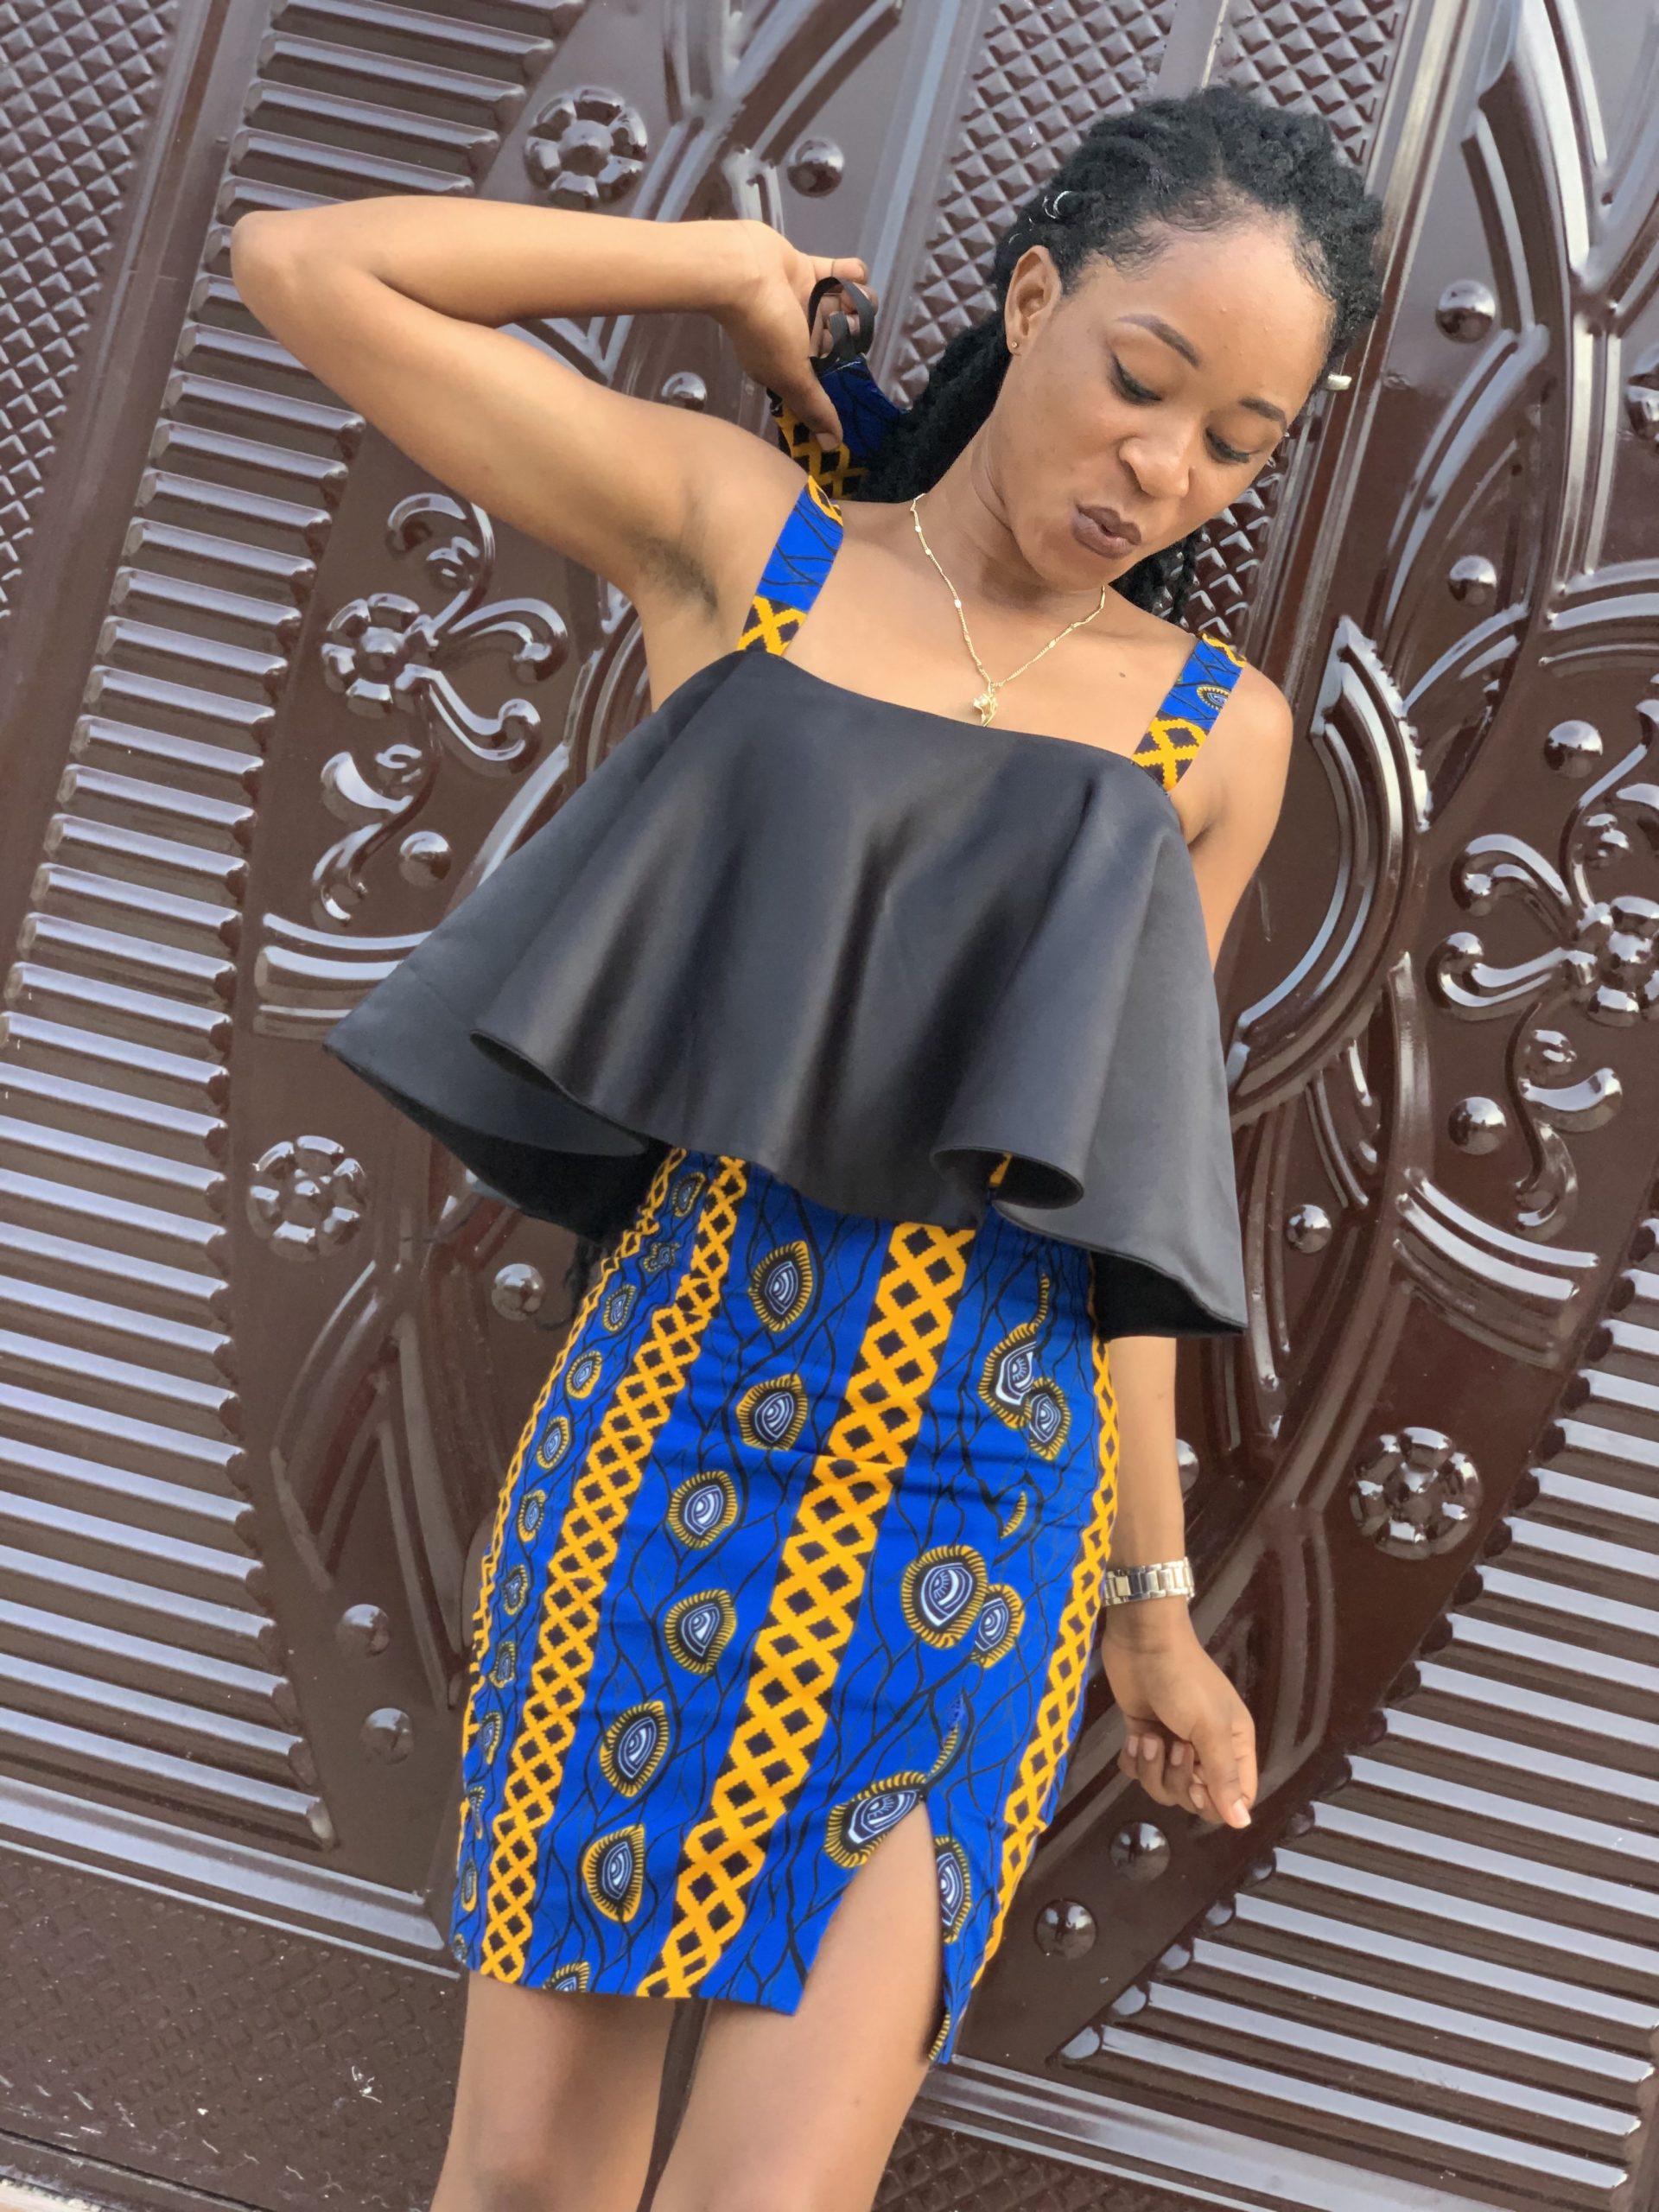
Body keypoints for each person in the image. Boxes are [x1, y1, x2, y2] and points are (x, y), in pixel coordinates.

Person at [232, 80, 1382, 2212]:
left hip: (978, 1503)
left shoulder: (1212, 733)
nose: (1165, 470)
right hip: (661, 1444)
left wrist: (1149, 1612)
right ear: (1032, 302)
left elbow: (1118, 1199)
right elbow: (309, 266)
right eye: (1140, 382)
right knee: (533, 2177)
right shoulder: (748, 544)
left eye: (1240, 442)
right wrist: (721, 273)